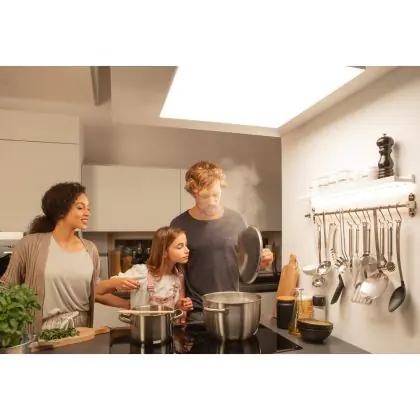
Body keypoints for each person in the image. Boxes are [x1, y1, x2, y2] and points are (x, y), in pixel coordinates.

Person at [0, 182, 137, 334]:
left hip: (80, 333)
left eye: (88, 208)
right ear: (61, 211)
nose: (87, 213)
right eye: (80, 208)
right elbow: (6, 287)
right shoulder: (30, 244)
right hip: (41, 336)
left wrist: (126, 303)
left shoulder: (90, 249)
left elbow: (92, 292)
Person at [170, 160, 274, 318]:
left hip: (232, 308)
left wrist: (261, 262)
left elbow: (245, 264)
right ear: (193, 193)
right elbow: (170, 270)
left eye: (216, 194)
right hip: (196, 312)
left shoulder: (237, 220)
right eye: (205, 196)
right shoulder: (179, 224)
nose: (212, 202)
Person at [111, 226, 193, 315]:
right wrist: (125, 304)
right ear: (164, 252)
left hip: (166, 324)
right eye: (180, 247)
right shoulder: (141, 272)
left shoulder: (177, 276)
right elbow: (108, 286)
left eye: (186, 245)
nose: (187, 250)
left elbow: (173, 306)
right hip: (142, 324)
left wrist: (180, 305)